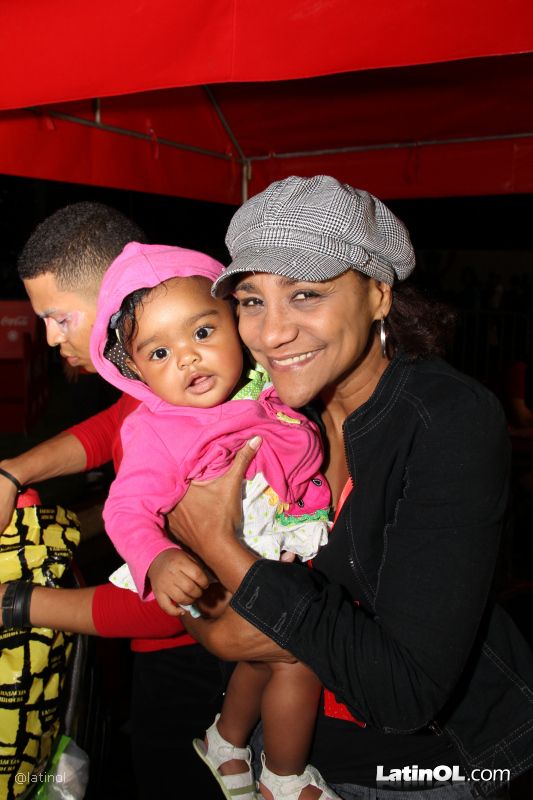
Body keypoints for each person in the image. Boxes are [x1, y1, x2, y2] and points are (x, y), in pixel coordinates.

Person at [165, 175, 533, 800]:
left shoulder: (448, 419)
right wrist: (218, 623)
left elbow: (402, 693)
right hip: (280, 754)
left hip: (420, 770)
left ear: (379, 295)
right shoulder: (266, 411)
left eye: (305, 294)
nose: (270, 334)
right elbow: (217, 622)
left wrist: (218, 544)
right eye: (251, 301)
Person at [89, 241, 336, 800]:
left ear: (235, 324)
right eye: (159, 353)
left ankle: (225, 739)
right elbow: (125, 508)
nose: (188, 358)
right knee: (300, 658)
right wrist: (158, 556)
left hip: (276, 550)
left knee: (263, 659)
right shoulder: (157, 430)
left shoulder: (271, 385)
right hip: (219, 567)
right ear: (134, 371)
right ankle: (285, 778)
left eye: (202, 332)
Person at [0, 202, 226, 798]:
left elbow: (172, 601)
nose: (51, 337)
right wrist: (13, 472)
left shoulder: (204, 418)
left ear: (115, 297)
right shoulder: (163, 385)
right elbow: (113, 427)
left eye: (59, 318)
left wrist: (17, 605)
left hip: (202, 665)